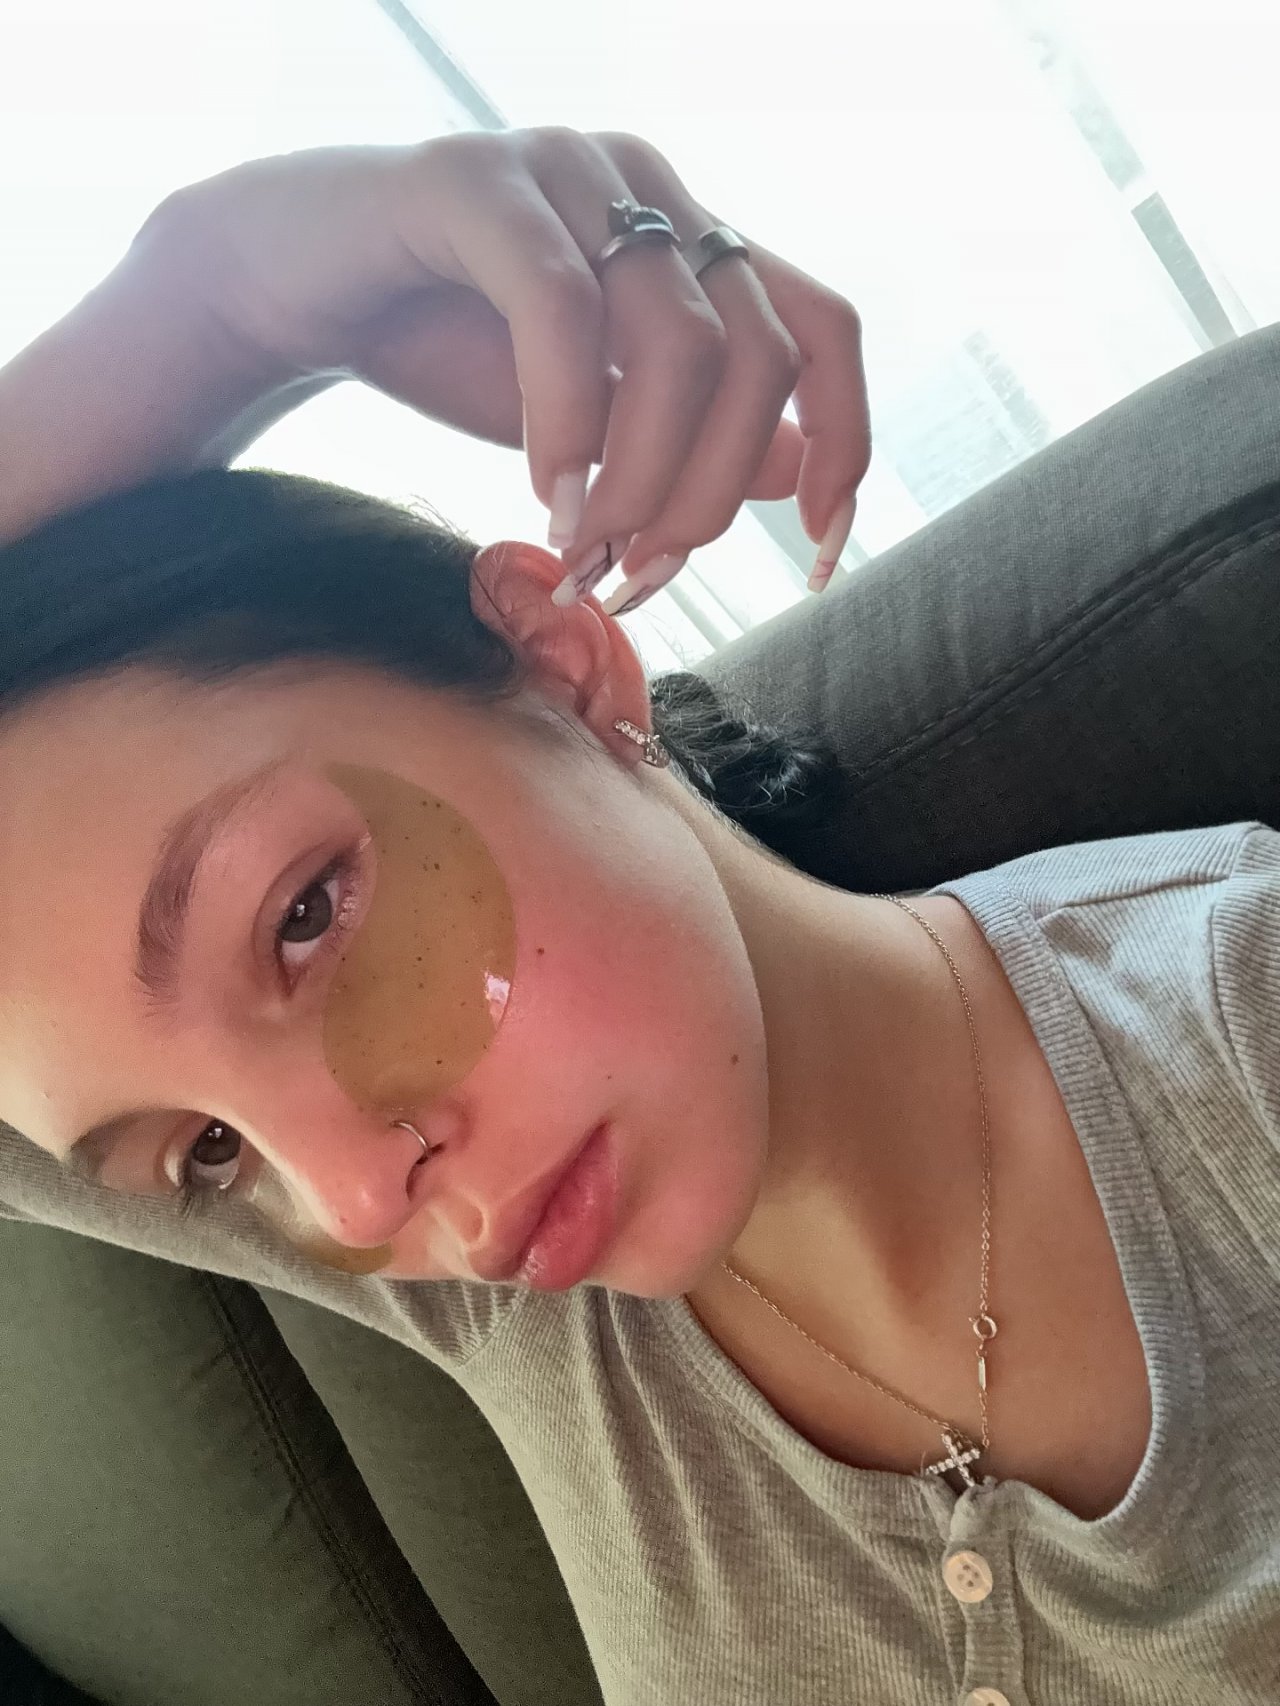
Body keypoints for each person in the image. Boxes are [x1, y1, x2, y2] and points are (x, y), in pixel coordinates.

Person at [0, 129, 1276, 1706]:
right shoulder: (513, 1301)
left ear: (560, 657)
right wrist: (209, 301)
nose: (357, 1199)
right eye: (210, 1152)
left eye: (305, 914)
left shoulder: (1244, 1037)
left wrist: (210, 297)